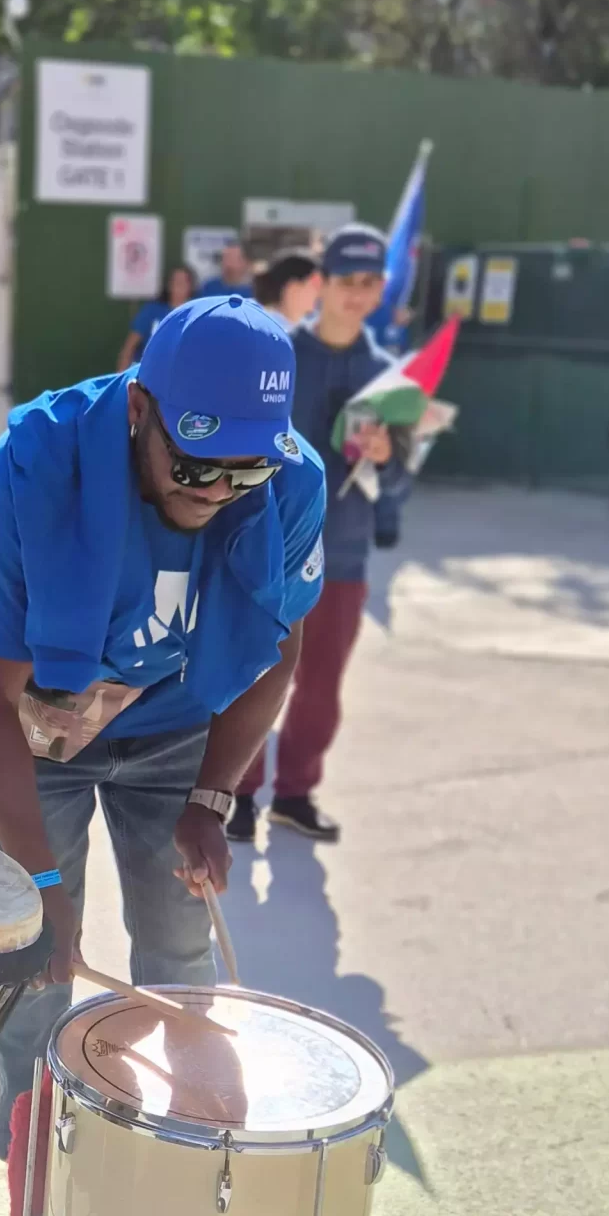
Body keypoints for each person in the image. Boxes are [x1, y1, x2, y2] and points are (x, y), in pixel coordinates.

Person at [0, 292, 330, 1156]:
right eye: (196, 467)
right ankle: (33, 1167)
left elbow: (278, 646)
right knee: (37, 969)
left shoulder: (294, 480)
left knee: (180, 953)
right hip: (35, 733)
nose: (220, 492)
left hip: (181, 727)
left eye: (247, 473)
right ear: (138, 410)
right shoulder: (32, 467)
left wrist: (211, 797)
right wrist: (41, 886)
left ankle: (182, 1157)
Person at [228, 222, 409, 846]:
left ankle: (295, 794)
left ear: (381, 289)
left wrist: (387, 457)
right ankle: (236, 791)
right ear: (321, 283)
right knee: (253, 674)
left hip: (344, 554)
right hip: (269, 548)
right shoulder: (276, 355)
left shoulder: (387, 377)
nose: (356, 294)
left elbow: (402, 477)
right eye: (345, 281)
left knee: (321, 687)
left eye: (369, 283)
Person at [116, 262, 196, 370]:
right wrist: (122, 377)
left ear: (191, 286)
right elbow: (128, 348)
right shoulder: (152, 310)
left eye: (184, 282)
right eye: (176, 281)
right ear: (169, 285)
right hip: (148, 371)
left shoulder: (197, 313)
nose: (179, 285)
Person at [253, 250, 322, 334]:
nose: (321, 291)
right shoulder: (269, 332)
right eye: (315, 283)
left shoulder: (303, 330)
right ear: (293, 288)